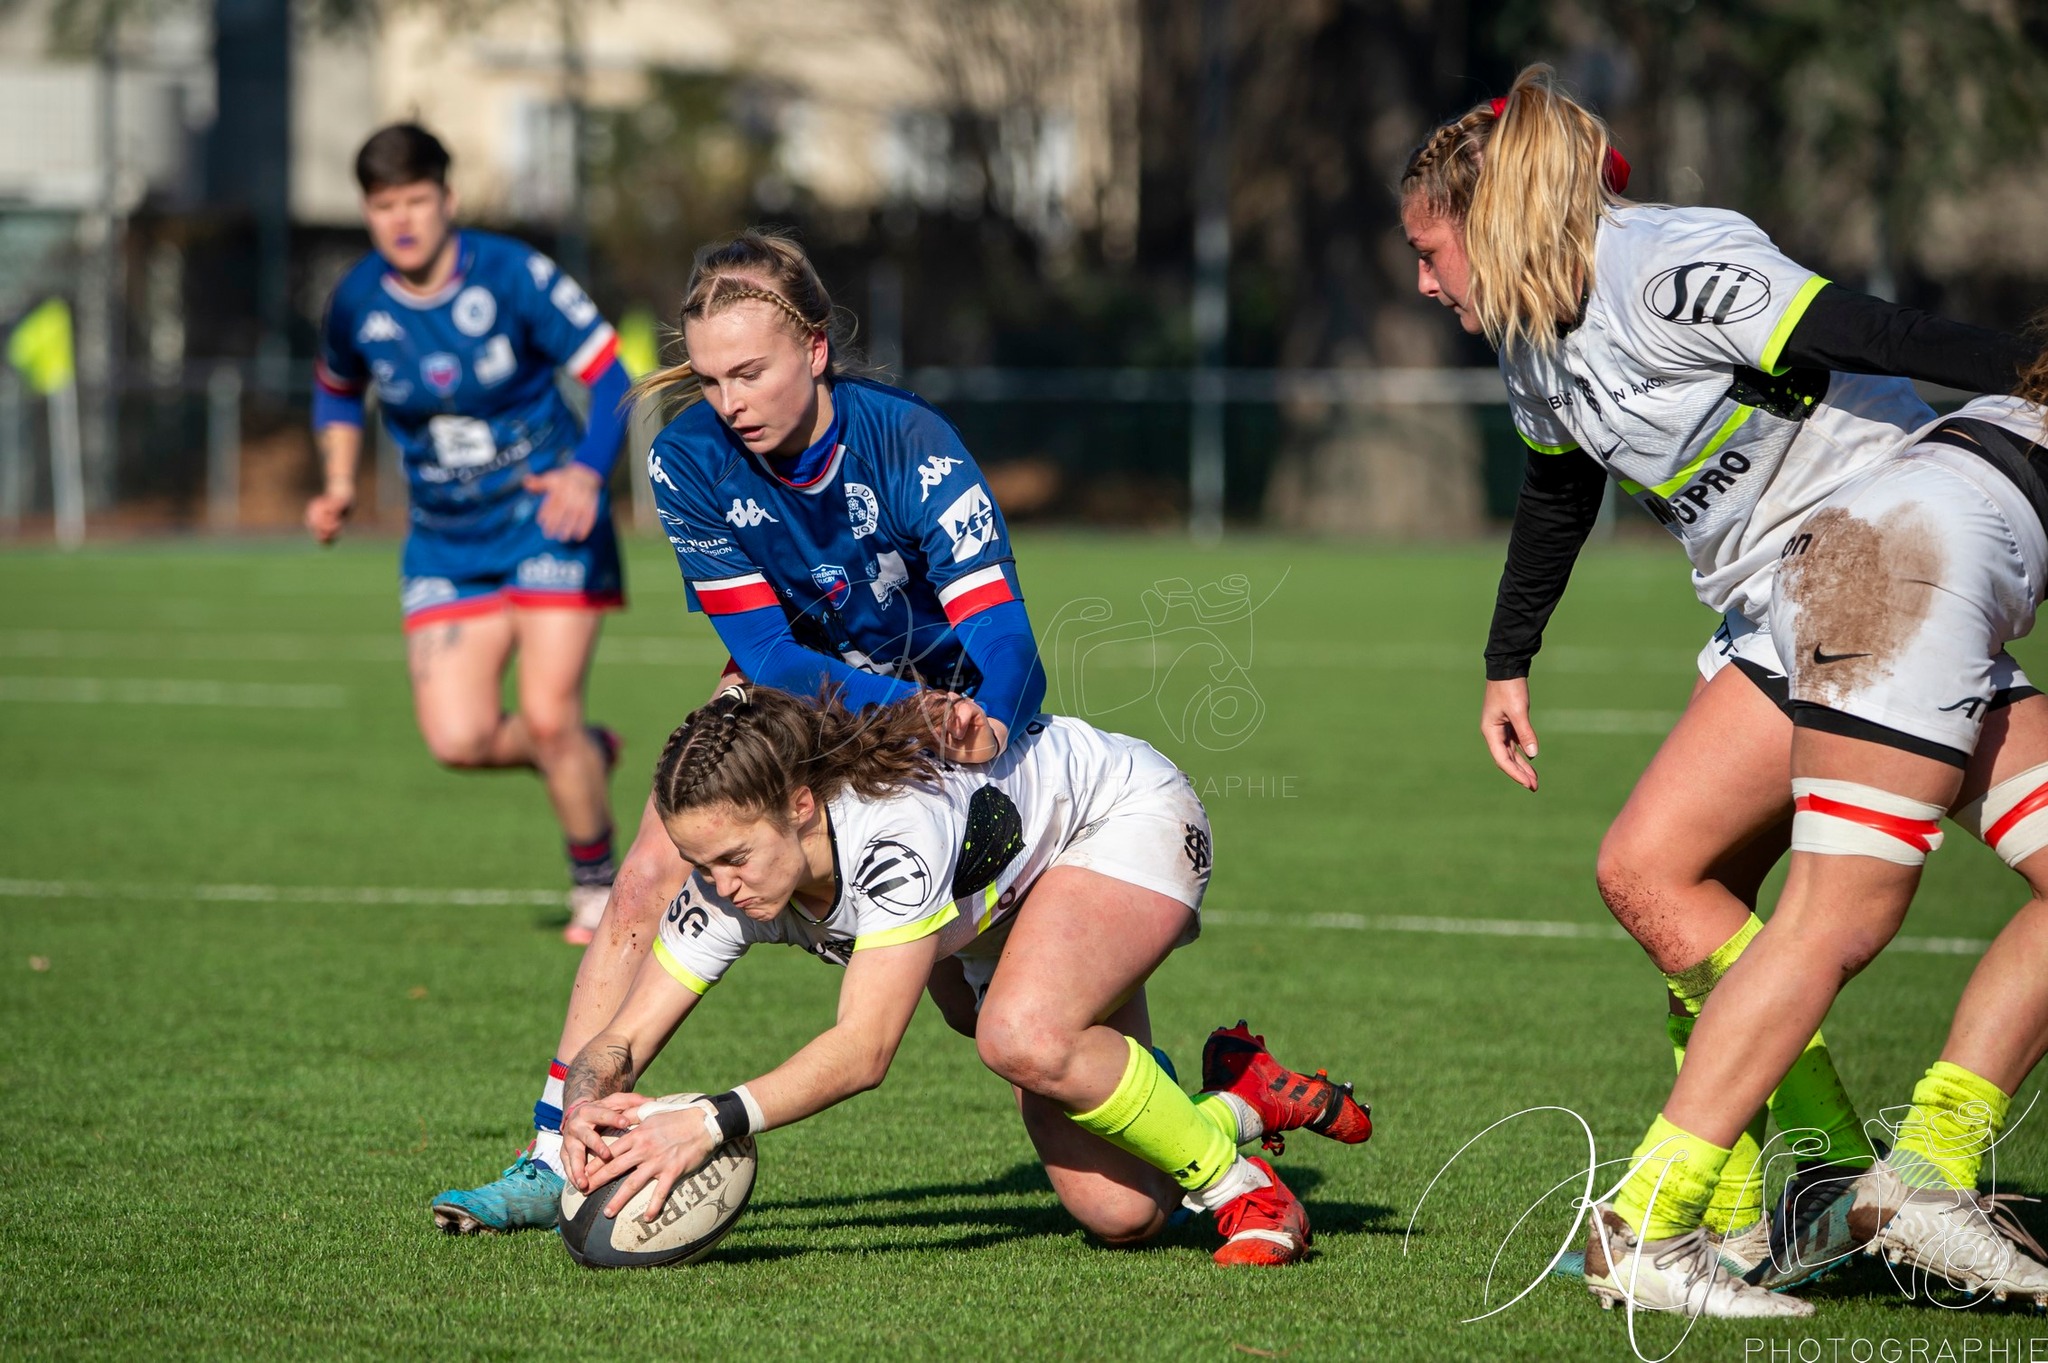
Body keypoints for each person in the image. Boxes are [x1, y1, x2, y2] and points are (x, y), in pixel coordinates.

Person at [1398, 65, 2039, 1293]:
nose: (1422, 281)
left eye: (1431, 251)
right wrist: (1505, 660)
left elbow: (1863, 329)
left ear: (1489, 224)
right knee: (1666, 879)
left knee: (1744, 897)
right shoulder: (1533, 340)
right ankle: (1815, 1189)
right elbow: (1554, 493)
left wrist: (2030, 367)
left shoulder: (1667, 263)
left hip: (1878, 574)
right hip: (1789, 612)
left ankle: (1805, 1191)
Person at [430, 230, 1050, 1233]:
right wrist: (893, 711)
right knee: (646, 872)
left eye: (748, 372)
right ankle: (556, 1153)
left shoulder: (910, 442)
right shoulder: (687, 457)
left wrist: (984, 719)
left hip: (940, 697)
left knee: (986, 1006)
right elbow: (766, 657)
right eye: (709, 377)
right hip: (796, 686)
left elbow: (1008, 641)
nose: (728, 401)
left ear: (813, 348)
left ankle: (1182, 1107)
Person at [559, 685, 1375, 1265]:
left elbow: (864, 1049)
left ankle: (1248, 1192)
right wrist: (585, 1109)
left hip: (1118, 819)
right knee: (1124, 1212)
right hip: (1003, 904)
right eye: (701, 863)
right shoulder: (730, 882)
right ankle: (1243, 1096)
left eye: (735, 857)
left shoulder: (890, 833)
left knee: (1019, 1033)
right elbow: (619, 1040)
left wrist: (705, 1122)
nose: (720, 884)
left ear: (801, 806)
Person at [1590, 377, 2048, 1316]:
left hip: (1833, 561)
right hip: (1913, 574)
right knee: (1829, 921)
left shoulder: (2013, 411)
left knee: (1698, 880)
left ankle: (1909, 1171)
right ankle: (1648, 1221)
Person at [307, 124, 631, 946]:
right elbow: (338, 390)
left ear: (447, 199)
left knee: (547, 711)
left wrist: (588, 473)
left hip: (548, 519)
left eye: (417, 199)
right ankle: (583, 752)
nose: (403, 219)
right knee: (458, 738)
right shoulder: (357, 301)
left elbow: (610, 373)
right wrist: (340, 483)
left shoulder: (513, 273)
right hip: (446, 542)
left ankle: (595, 883)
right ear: (368, 213)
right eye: (385, 206)